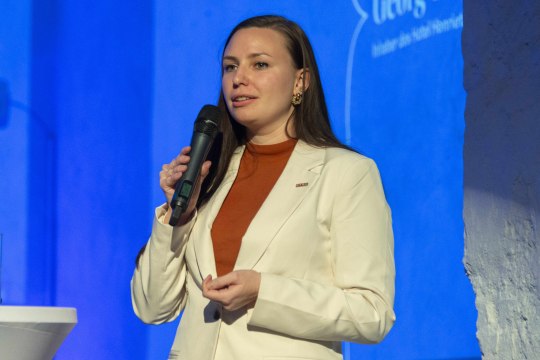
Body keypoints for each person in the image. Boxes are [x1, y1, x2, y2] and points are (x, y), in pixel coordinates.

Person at [131, 15, 395, 360]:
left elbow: (372, 313)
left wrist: (264, 292)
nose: (238, 79)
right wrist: (177, 216)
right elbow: (152, 309)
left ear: (301, 81)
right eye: (229, 67)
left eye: (260, 64)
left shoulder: (346, 173)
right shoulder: (210, 176)